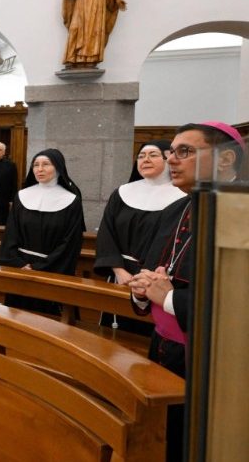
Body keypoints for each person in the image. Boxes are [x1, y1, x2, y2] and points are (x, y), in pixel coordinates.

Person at [128, 122, 245, 462]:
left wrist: (167, 298)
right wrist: (140, 291)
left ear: (224, 160)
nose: (172, 161)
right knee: (166, 440)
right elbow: (151, 272)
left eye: (185, 152)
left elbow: (238, 302)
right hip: (164, 348)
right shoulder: (174, 210)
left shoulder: (242, 212)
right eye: (171, 152)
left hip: (217, 359)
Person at [94, 141, 184, 335]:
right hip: (121, 276)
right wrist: (118, 270)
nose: (145, 160)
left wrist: (146, 277)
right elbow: (106, 233)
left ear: (168, 159)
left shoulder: (181, 197)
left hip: (156, 279)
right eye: (141, 156)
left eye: (153, 155)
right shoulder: (122, 193)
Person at [0, 148, 85, 315]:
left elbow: (70, 243)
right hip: (20, 270)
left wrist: (39, 267)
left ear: (58, 167)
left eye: (46, 164)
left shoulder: (71, 200)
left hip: (52, 271)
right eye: (35, 165)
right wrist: (19, 264)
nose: (39, 169)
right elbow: (10, 234)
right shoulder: (22, 196)